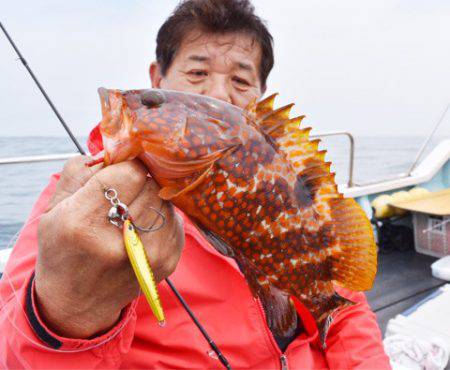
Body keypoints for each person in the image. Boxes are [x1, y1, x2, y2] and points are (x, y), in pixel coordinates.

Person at [0, 0, 391, 368]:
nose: (219, 93)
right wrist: (61, 314)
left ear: (260, 95)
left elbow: (344, 309)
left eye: (240, 78)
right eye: (197, 72)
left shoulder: (282, 175)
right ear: (159, 77)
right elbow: (12, 351)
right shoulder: (79, 205)